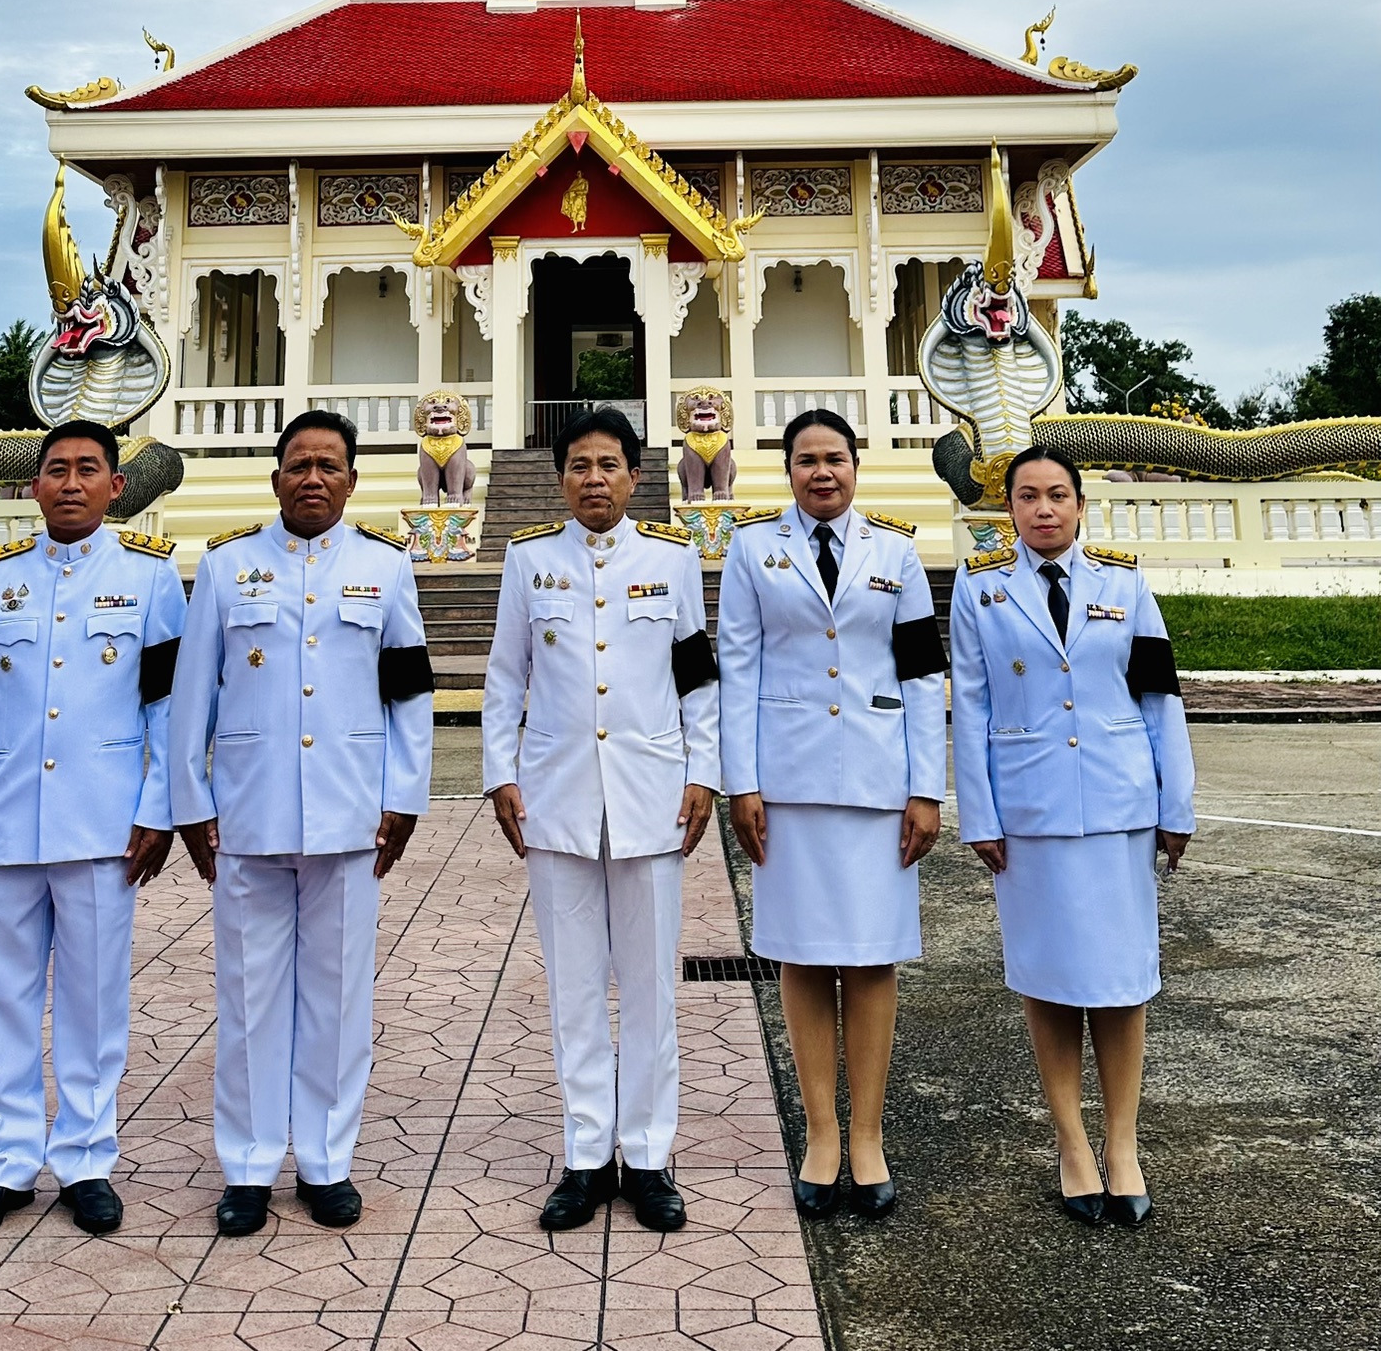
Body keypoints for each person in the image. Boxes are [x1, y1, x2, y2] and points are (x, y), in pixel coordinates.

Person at [170, 408, 433, 1235]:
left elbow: (410, 693)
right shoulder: (224, 568)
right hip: (247, 813)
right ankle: (248, 1165)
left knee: (338, 994)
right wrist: (191, 802)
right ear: (275, 477)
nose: (312, 477)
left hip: (351, 810)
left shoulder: (386, 569)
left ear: (352, 481)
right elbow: (192, 699)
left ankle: (325, 1160)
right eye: (298, 464)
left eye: (329, 464)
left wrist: (406, 796)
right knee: (248, 997)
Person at [0, 418, 186, 1242]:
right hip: (2, 824)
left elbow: (168, 708)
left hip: (103, 825)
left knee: (93, 999)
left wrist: (157, 809)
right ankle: (4, 1162)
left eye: (88, 470)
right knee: (3, 1001)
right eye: (56, 470)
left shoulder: (150, 579)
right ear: (33, 487)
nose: (71, 483)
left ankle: (84, 1158)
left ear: (117, 487)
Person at [482, 405, 719, 1234]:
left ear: (634, 474)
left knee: (651, 988)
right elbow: (505, 678)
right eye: (579, 464)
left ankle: (648, 1155)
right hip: (556, 800)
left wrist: (705, 773)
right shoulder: (527, 560)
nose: (594, 479)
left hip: (653, 795)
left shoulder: (674, 559)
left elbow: (698, 677)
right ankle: (587, 1153)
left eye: (609, 464)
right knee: (575, 988)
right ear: (561, 477)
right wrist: (498, 776)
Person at [949, 445, 1196, 1226]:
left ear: (1082, 506)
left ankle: (1122, 1145)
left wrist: (1175, 804)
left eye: (1058, 495)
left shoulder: (1124, 583)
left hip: (1120, 807)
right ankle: (1072, 1144)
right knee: (1048, 980)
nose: (1044, 509)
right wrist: (979, 815)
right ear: (1010, 509)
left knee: (1123, 984)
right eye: (1028, 496)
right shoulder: (980, 589)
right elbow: (975, 707)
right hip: (1031, 816)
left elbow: (1160, 695)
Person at [719, 408, 946, 1221]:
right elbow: (736, 665)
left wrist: (929, 788)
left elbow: (922, 674)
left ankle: (868, 1136)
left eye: (836, 459)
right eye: (807, 460)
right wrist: (739, 782)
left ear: (857, 468)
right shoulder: (752, 547)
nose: (823, 472)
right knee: (804, 956)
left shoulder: (897, 551)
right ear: (787, 472)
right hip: (787, 782)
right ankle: (820, 1133)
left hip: (881, 783)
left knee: (873, 957)